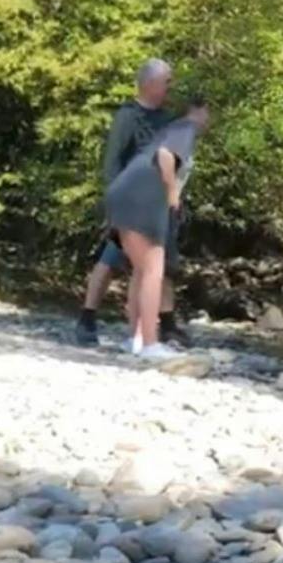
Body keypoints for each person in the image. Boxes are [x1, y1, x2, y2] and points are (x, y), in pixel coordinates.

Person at [74, 59, 186, 347]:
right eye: (166, 82)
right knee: (111, 260)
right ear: (149, 84)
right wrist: (115, 206)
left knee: (161, 262)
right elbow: (112, 162)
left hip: (156, 202)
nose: (170, 87)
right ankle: (88, 318)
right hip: (128, 202)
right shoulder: (127, 117)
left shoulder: (167, 119)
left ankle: (167, 324)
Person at [103, 97, 211, 362]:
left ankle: (136, 339)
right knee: (153, 270)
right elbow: (165, 156)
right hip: (143, 200)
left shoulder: (169, 128)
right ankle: (151, 344)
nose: (209, 119)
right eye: (208, 112)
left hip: (121, 194)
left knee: (141, 271)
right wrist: (173, 194)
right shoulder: (185, 128)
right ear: (197, 111)